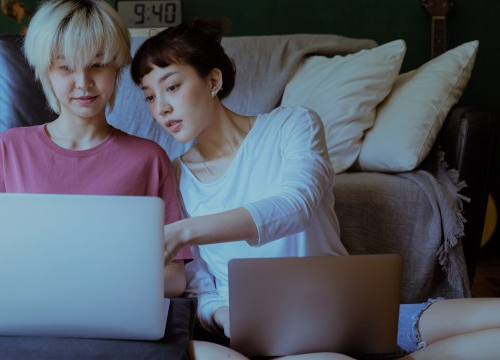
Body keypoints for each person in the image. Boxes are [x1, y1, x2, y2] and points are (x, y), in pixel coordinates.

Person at [130, 19, 500, 359]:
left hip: (347, 310)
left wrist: (184, 231)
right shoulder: (174, 176)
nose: (161, 108)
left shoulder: (293, 125)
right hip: (266, 329)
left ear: (212, 81)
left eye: (172, 87)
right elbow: (197, 284)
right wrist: (225, 317)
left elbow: (296, 205)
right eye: (149, 96)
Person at [0, 0, 191, 298]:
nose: (83, 83)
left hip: (119, 315)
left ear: (117, 67)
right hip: (29, 310)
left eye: (97, 65)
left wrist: (93, 290)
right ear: (47, 72)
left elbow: (174, 277)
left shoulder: (149, 159)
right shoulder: (6, 150)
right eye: (66, 67)